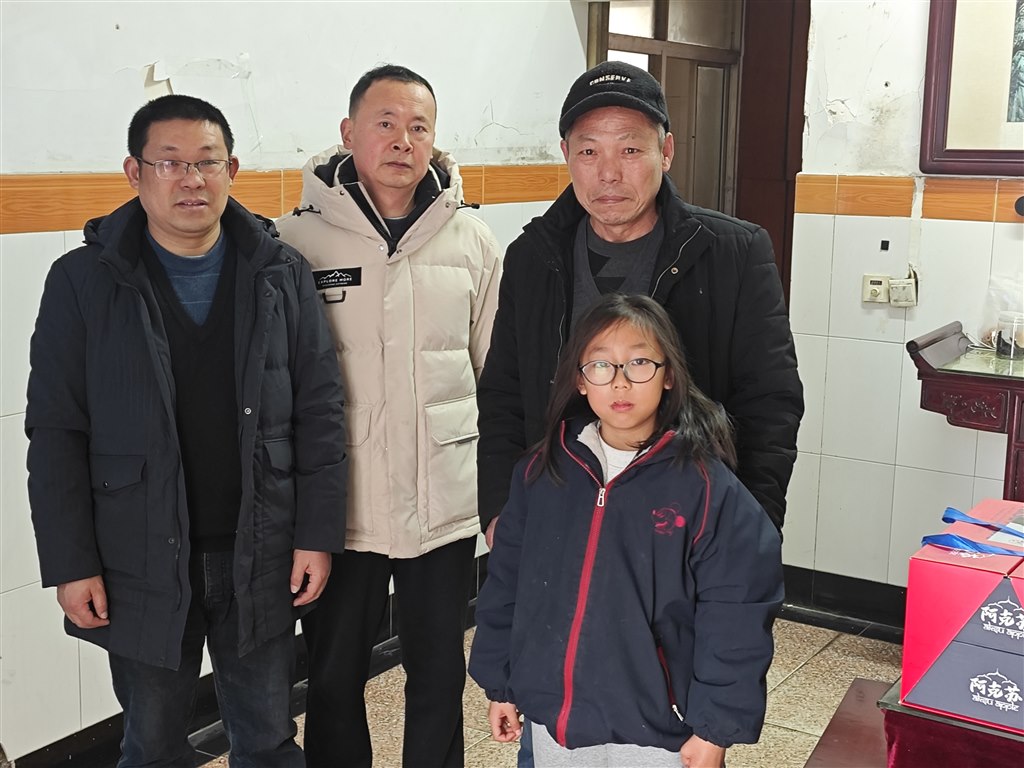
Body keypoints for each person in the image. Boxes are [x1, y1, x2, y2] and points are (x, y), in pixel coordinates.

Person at [25, 95, 347, 766]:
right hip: (136, 558)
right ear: (134, 172)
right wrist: (72, 562)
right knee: (151, 746)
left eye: (207, 162)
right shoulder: (82, 281)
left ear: (232, 171)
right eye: (169, 162)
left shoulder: (279, 271)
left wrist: (316, 535)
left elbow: (320, 409)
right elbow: (55, 433)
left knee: (267, 739)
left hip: (260, 549)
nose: (191, 179)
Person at [477, 60, 803, 554]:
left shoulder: (731, 253)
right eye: (589, 151)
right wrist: (502, 508)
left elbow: (771, 401)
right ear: (566, 155)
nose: (608, 173)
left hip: (687, 526)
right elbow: (503, 392)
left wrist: (752, 524)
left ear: (665, 151)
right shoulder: (532, 256)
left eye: (630, 149)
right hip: (557, 515)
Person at [275, 64, 501, 768]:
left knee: (438, 675)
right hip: (342, 511)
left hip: (443, 506)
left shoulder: (472, 241)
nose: (403, 140)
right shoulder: (295, 244)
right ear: (349, 133)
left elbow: (497, 378)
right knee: (333, 678)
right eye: (386, 123)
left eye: (418, 126)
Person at [468, 293, 784, 768]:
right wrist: (501, 683)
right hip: (557, 721)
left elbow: (737, 611)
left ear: (669, 374)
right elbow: (507, 584)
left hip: (660, 731)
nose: (620, 382)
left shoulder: (703, 485)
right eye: (601, 365)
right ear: (579, 379)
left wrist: (715, 727)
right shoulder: (543, 471)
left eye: (639, 363)